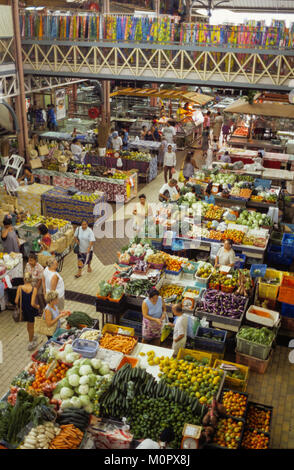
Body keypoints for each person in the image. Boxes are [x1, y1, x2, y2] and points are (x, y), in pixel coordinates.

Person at [15, 272, 39, 351]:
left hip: (24, 309)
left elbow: (16, 301)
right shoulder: (34, 289)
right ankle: (31, 342)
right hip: (31, 310)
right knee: (31, 326)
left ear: (24, 279)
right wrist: (38, 306)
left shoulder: (20, 287)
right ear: (31, 279)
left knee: (28, 325)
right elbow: (32, 303)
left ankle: (31, 336)